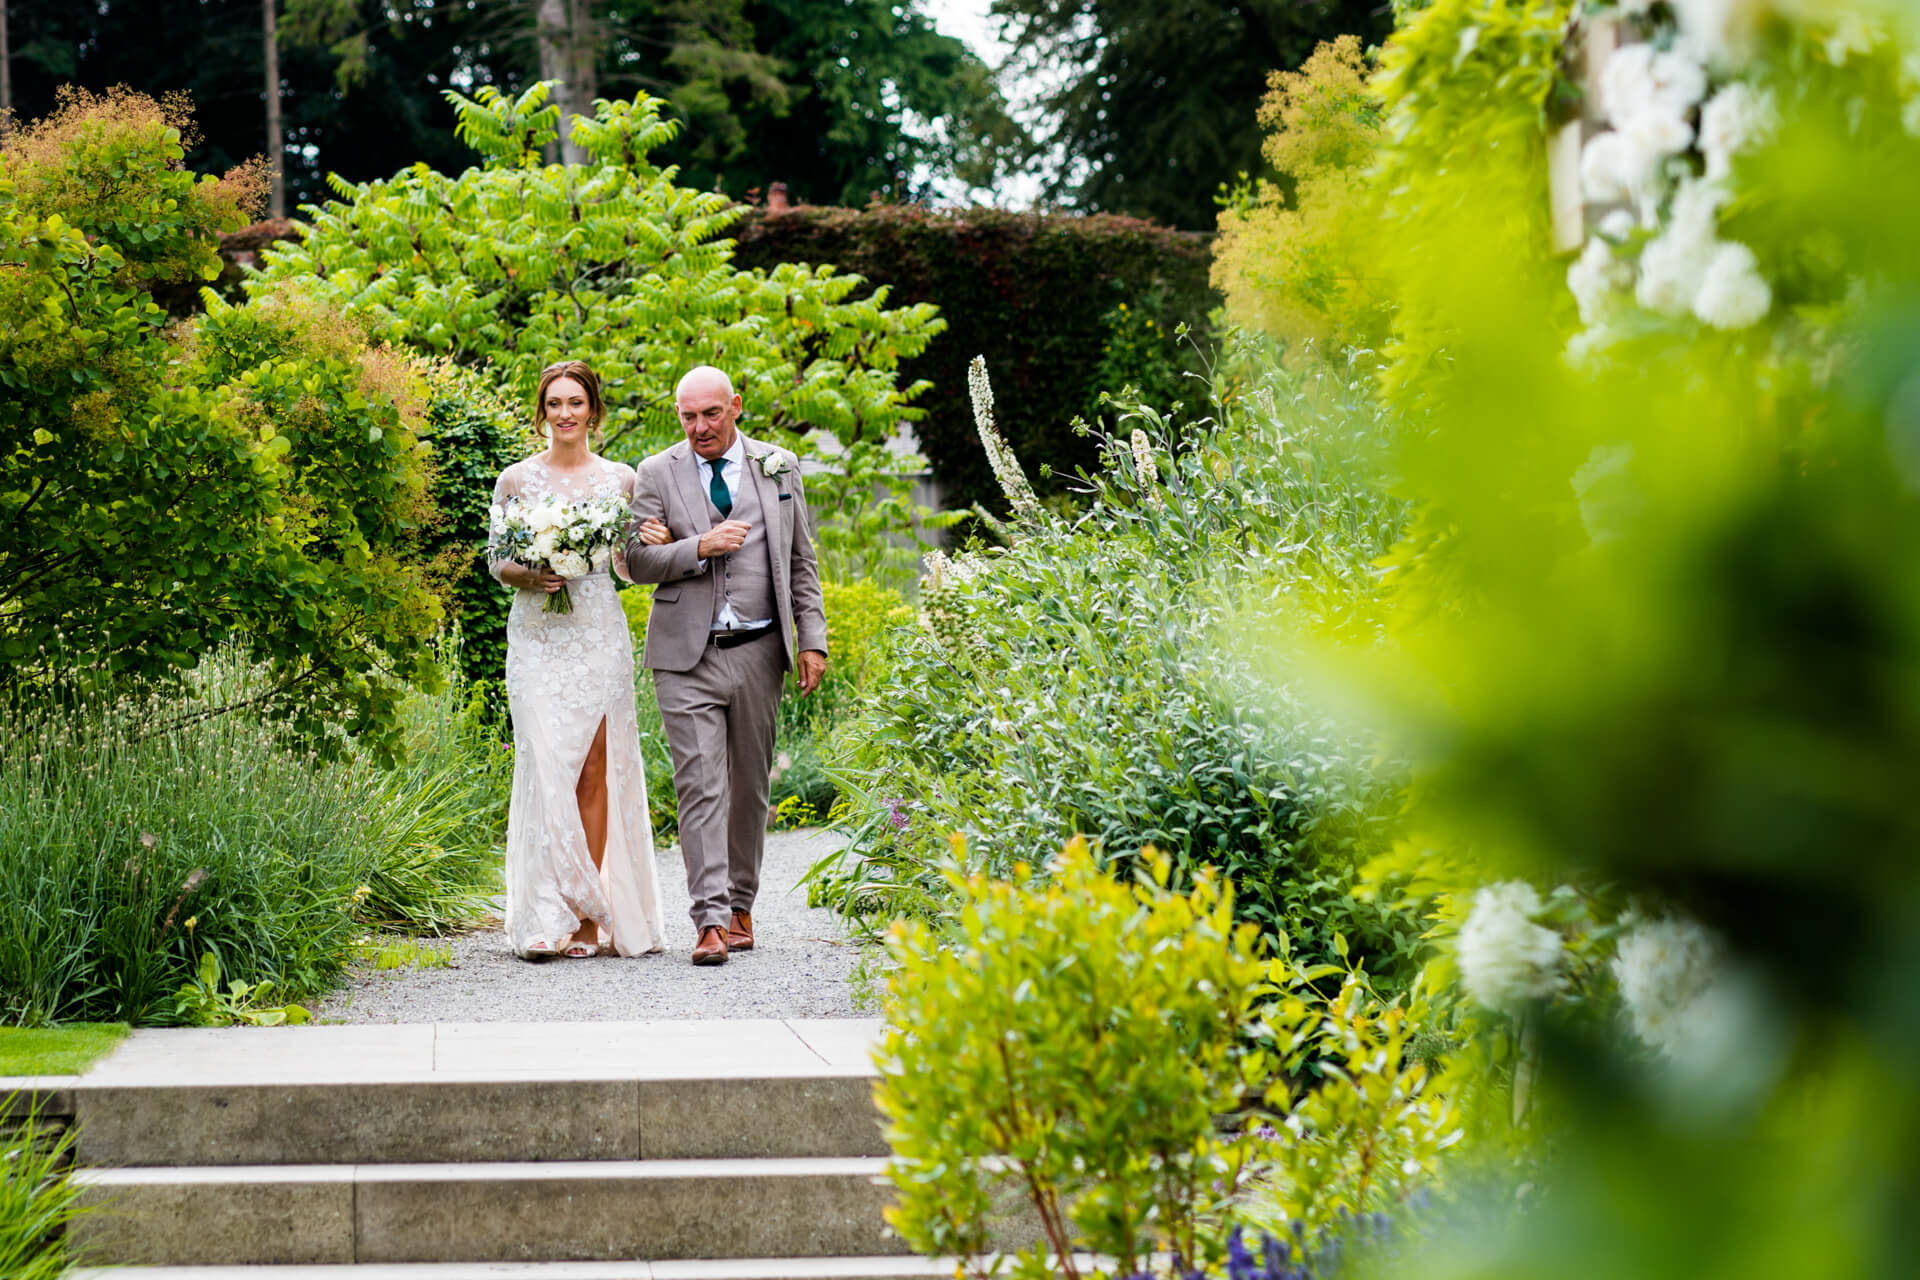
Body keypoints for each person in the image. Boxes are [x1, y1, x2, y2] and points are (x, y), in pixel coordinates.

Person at [625, 365, 828, 966]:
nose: (699, 427)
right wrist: (696, 548)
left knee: (750, 788)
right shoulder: (656, 473)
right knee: (699, 786)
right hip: (685, 656)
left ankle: (742, 907)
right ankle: (709, 920)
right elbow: (634, 561)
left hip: (761, 651)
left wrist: (811, 639)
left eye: (710, 414)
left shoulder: (779, 465)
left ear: (735, 406)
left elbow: (801, 561)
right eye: (687, 416)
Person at [488, 360, 668, 960]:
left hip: (595, 632)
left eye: (576, 402)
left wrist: (649, 542)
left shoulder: (620, 481)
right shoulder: (515, 481)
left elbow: (624, 564)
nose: (565, 413)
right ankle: (544, 914)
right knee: (545, 770)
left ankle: (589, 920)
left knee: (594, 768)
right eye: (555, 402)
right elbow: (497, 563)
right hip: (537, 637)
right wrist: (533, 572)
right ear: (541, 410)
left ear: (593, 410)